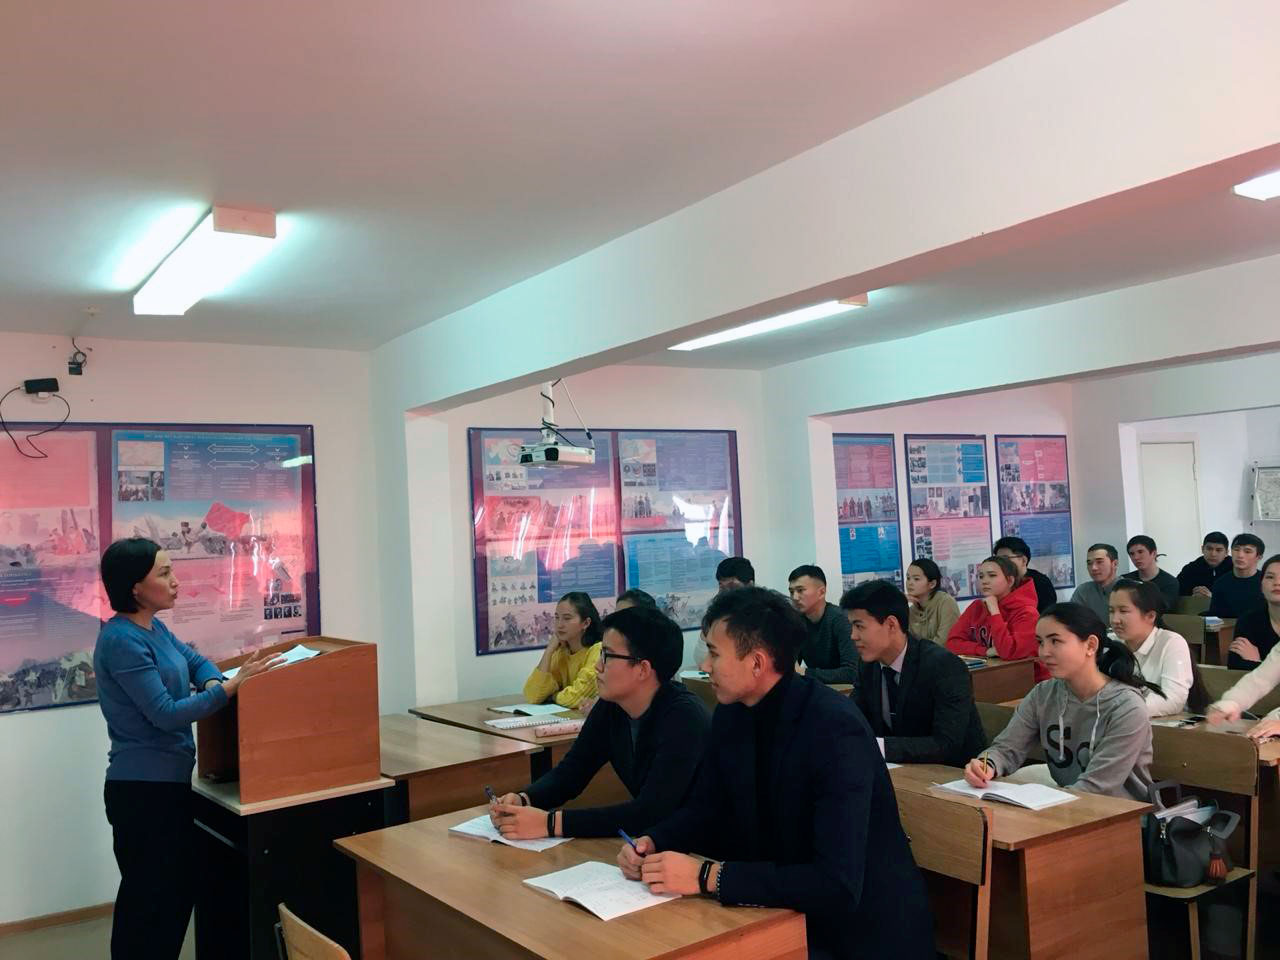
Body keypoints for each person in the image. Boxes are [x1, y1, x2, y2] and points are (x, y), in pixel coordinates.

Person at [616, 587, 935, 960]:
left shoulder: (832, 727)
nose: (705, 666)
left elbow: (836, 884)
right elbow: (705, 808)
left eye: (714, 654)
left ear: (757, 663)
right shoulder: (732, 713)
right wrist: (655, 842)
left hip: (857, 934)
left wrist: (709, 876)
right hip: (776, 909)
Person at [94, 537, 283, 959]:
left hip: (167, 785)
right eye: (164, 573)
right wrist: (229, 688)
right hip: (143, 792)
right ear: (135, 587)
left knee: (170, 898)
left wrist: (214, 681)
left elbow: (196, 662)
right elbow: (165, 713)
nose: (176, 581)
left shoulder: (154, 628)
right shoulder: (122, 640)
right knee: (151, 905)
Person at [490, 606, 709, 838]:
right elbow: (572, 772)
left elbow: (650, 811)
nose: (597, 666)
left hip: (702, 847)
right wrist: (524, 799)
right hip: (658, 842)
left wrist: (551, 823)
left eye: (607, 655)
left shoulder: (684, 719)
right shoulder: (612, 706)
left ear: (642, 669)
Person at [962, 602, 1158, 802]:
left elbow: (1096, 787)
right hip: (1069, 807)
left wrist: (1045, 805)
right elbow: (1006, 748)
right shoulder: (1043, 694)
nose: (1044, 652)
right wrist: (986, 765)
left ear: (1091, 645)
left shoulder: (1126, 706)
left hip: (1121, 814)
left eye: (1055, 641)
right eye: (1040, 642)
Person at [843, 580, 986, 766]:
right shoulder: (868, 665)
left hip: (954, 773)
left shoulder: (944, 666)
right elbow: (853, 718)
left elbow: (947, 744)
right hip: (901, 771)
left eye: (859, 626)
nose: (853, 636)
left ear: (891, 624)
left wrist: (879, 747)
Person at [1108, 579, 1204, 717]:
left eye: (1123, 611)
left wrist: (1121, 710)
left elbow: (1173, 699)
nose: (1115, 620)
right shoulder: (1110, 643)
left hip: (1162, 725)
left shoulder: (1172, 643)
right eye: (1111, 611)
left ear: (1150, 616)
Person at [945, 555, 1044, 680]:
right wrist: (985, 651)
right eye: (981, 576)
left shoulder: (1027, 612)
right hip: (990, 675)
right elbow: (952, 643)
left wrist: (995, 612)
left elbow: (1009, 652)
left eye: (992, 575)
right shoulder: (977, 606)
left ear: (1010, 581)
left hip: (1028, 680)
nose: (984, 581)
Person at [523, 592, 603, 709]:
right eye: (557, 617)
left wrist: (553, 696)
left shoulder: (598, 650)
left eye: (567, 618)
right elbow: (533, 695)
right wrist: (549, 651)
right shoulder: (562, 651)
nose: (559, 625)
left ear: (586, 623)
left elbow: (575, 698)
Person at [787, 563, 857, 684]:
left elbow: (852, 672)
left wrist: (805, 672)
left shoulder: (841, 620)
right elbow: (792, 665)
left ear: (821, 592)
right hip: (818, 688)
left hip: (847, 691)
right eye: (791, 591)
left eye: (800, 590)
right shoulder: (797, 621)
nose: (795, 597)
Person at [1224, 554, 1280, 671]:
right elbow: (1235, 666)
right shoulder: (1249, 620)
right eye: (1270, 577)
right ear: (1261, 585)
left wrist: (1258, 662)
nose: (1277, 582)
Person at [1208, 533, 1267, 619]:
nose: (1240, 555)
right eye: (1236, 549)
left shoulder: (1266, 582)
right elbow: (1215, 618)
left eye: (1247, 551)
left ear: (1259, 557)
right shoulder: (1221, 583)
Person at [904, 557, 960, 646]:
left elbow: (943, 643)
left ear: (932, 584)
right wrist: (899, 601)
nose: (910, 583)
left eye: (916, 579)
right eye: (908, 578)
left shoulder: (946, 603)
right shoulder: (910, 610)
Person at [994, 535, 1057, 613]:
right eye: (998, 559)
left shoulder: (1041, 583)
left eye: (1005, 558)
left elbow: (1047, 615)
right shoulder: (1001, 581)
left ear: (1024, 560)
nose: (1000, 563)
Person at [1120, 535, 1180, 612]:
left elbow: (1163, 609)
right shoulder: (1125, 580)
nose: (1136, 557)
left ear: (1154, 553)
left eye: (1140, 552)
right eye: (1132, 554)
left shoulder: (1169, 582)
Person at [1070, 543, 1123, 621]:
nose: (1093, 568)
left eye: (1099, 562)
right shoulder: (1083, 591)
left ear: (1115, 564)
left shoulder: (1132, 589)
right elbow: (1072, 620)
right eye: (1089, 563)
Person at [1177, 531, 1232, 598]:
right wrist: (1192, 597)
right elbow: (1177, 594)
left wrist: (1213, 597)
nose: (1213, 554)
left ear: (1226, 553)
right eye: (1209, 549)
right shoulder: (1191, 569)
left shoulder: (1235, 568)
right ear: (1202, 549)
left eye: (1218, 550)